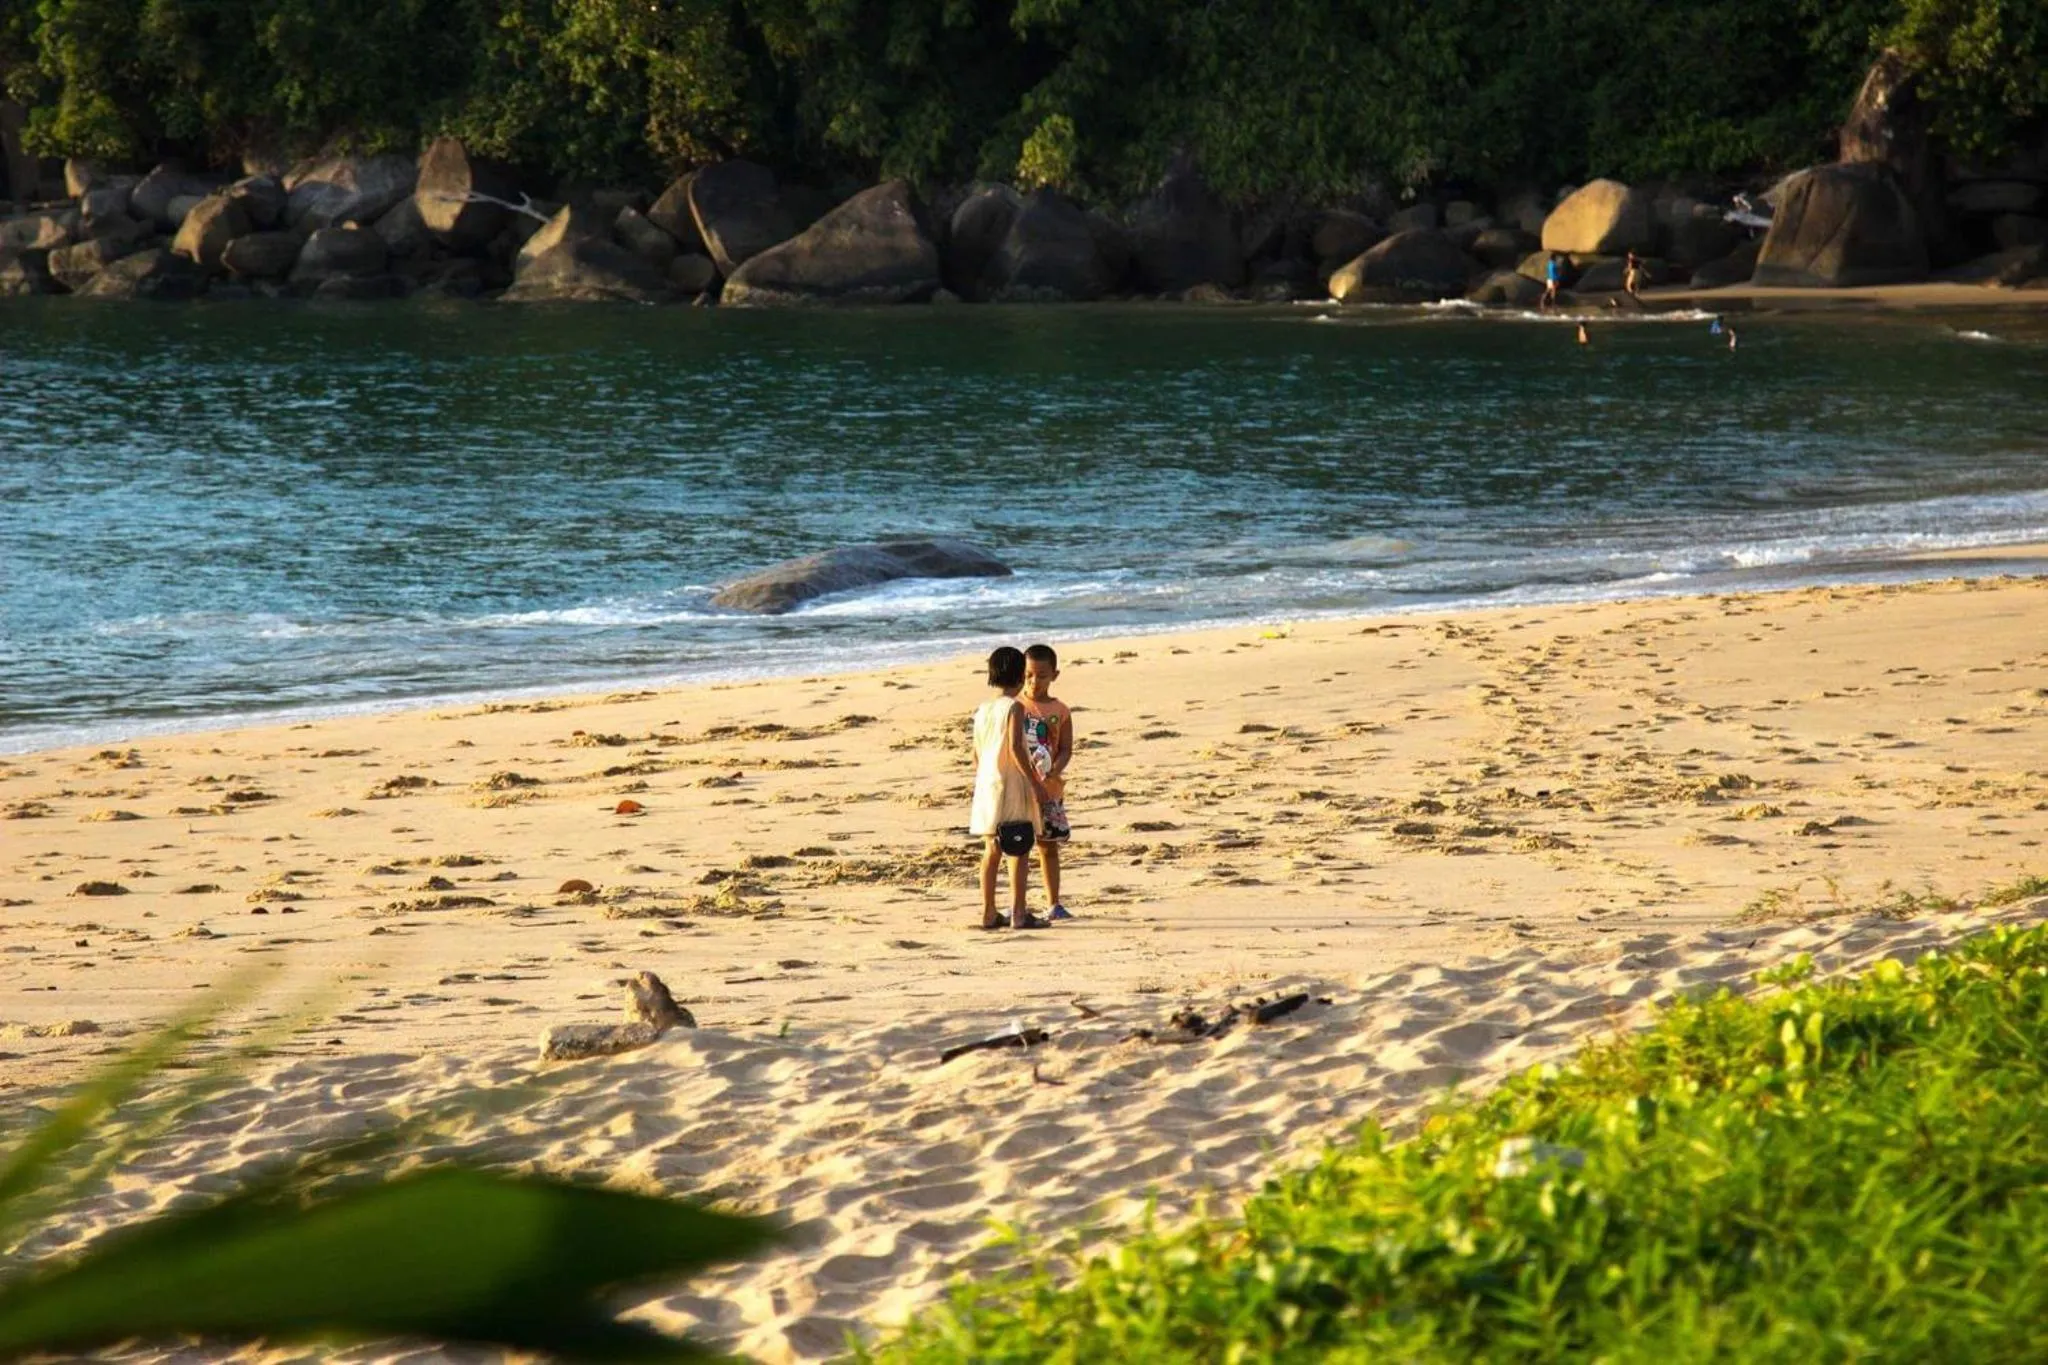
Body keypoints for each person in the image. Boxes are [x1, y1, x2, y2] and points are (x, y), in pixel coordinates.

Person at [968, 646, 1051, 930]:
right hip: (1012, 781)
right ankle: (1018, 911)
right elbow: (1016, 747)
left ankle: (988, 911)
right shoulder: (1014, 707)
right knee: (1019, 846)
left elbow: (976, 754)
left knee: (991, 847)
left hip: (987, 783)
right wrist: (1034, 783)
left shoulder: (982, 710)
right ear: (1019, 676)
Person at [1020, 643, 1075, 921]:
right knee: (1016, 848)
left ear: (1054, 675)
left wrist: (1056, 768)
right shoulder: (1015, 707)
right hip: (1019, 789)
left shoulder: (1060, 710)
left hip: (1049, 789)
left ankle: (1053, 902)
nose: (1034, 682)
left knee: (1047, 846)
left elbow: (1065, 748)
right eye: (1029, 675)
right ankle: (1018, 903)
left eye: (1041, 676)